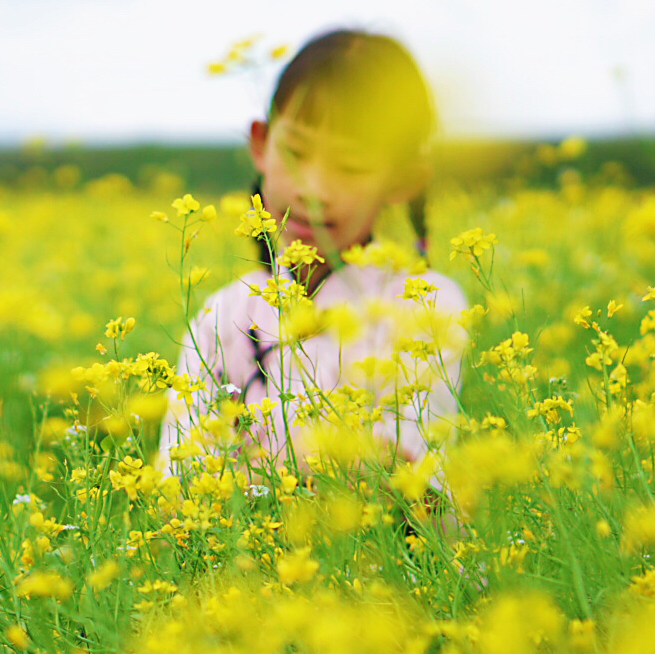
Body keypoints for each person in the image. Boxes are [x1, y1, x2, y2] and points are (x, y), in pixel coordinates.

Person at [156, 28, 470, 493]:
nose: (314, 189)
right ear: (260, 144)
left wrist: (244, 480)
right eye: (297, 154)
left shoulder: (425, 304)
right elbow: (173, 491)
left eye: (350, 166)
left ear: (403, 179)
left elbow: (411, 486)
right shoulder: (222, 316)